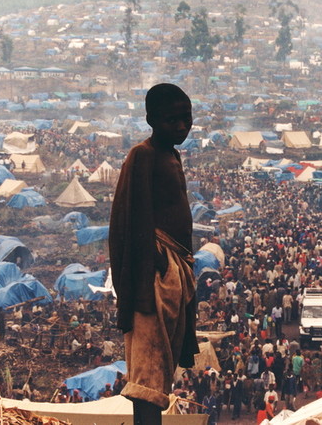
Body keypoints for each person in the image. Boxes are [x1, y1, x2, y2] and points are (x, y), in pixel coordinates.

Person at [109, 83, 199, 425]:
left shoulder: (171, 155)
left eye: (185, 118)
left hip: (173, 268)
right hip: (154, 273)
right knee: (147, 368)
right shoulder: (142, 154)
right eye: (171, 120)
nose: (180, 126)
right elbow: (129, 220)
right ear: (151, 120)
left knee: (162, 364)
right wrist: (152, 269)